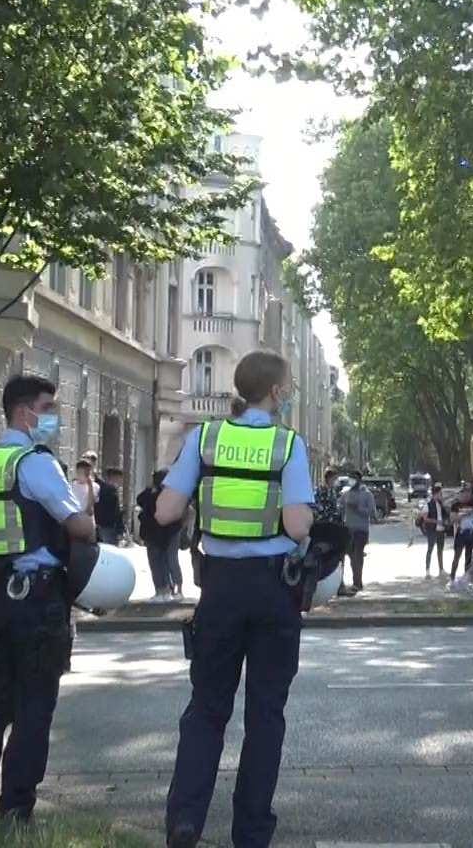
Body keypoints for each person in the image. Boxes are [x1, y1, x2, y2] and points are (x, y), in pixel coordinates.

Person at [155, 349, 315, 848]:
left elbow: (165, 511)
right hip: (272, 590)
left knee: (206, 708)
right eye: (286, 386)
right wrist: (309, 519)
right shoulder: (288, 444)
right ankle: (250, 833)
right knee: (265, 714)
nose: (288, 394)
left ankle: (185, 821)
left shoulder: (205, 437)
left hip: (219, 588)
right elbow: (295, 524)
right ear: (274, 392)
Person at [0, 373, 97, 822]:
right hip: (36, 598)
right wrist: (88, 522)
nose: (53, 417)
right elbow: (77, 525)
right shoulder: (35, 462)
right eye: (48, 408)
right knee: (35, 702)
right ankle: (16, 804)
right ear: (24, 412)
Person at [139, 470, 180, 602]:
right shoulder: (171, 494)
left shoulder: (155, 495)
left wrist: (149, 488)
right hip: (164, 533)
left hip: (154, 533)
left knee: (156, 563)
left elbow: (141, 500)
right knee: (163, 561)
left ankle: (161, 590)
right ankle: (166, 589)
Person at [339, 476, 374, 594]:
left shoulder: (367, 494)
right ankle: (351, 582)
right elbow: (340, 508)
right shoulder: (346, 494)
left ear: (359, 480)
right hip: (348, 530)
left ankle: (357, 583)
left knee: (357, 555)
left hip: (361, 530)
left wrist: (358, 508)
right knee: (351, 557)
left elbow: (371, 512)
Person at [449, 487, 473, 588]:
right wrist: (463, 514)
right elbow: (452, 519)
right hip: (461, 533)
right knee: (457, 556)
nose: (466, 496)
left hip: (472, 533)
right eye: (464, 493)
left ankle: (467, 579)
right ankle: (452, 578)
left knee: (468, 557)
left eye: (468, 493)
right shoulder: (456, 505)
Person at [419, 486, 449, 578]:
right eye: (440, 494)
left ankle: (441, 569)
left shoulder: (441, 504)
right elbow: (425, 519)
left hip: (441, 529)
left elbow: (445, 514)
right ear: (435, 494)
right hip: (432, 530)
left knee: (440, 550)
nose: (442, 495)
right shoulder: (428, 505)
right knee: (430, 549)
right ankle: (427, 571)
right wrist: (437, 521)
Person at [95, 466, 125, 546]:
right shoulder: (111, 491)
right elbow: (116, 512)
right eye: (119, 479)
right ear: (113, 478)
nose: (120, 482)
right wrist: (120, 529)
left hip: (99, 525)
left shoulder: (99, 488)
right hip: (109, 526)